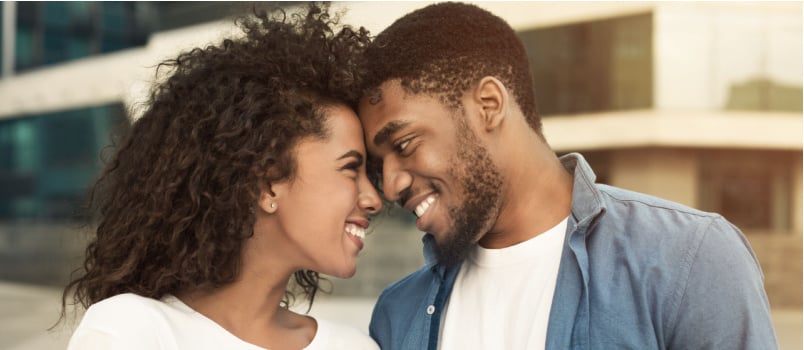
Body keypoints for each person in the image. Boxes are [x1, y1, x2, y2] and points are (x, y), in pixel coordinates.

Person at [357, 2, 778, 349]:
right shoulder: (398, 315)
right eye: (378, 167)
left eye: (405, 144)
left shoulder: (686, 261)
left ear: (488, 105)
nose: (391, 185)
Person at [60, 4, 381, 349]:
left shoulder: (354, 346)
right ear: (268, 183)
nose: (374, 199)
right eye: (351, 168)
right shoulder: (132, 332)